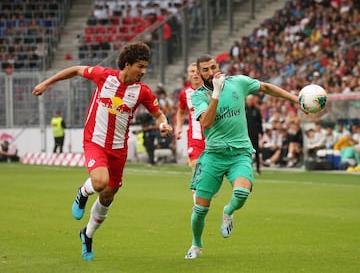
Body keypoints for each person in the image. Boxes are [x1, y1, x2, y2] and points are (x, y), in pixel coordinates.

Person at [32, 41, 173, 261]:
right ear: (127, 65)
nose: (144, 71)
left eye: (145, 67)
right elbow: (76, 69)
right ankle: (83, 192)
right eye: (140, 66)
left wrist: (163, 124)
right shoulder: (103, 76)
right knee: (99, 183)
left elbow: (158, 114)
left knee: (108, 196)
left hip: (118, 149)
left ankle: (87, 234)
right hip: (94, 141)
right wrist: (46, 83)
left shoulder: (142, 92)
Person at [185, 54, 302, 259]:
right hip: (213, 155)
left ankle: (228, 212)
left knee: (241, 193)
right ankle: (196, 245)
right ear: (199, 73)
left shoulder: (238, 82)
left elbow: (265, 87)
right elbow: (207, 123)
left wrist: (296, 99)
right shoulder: (198, 96)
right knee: (200, 209)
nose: (211, 72)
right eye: (205, 70)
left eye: (213, 67)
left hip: (239, 153)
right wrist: (216, 94)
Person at [175, 62, 205, 201]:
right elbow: (181, 112)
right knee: (195, 164)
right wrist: (179, 127)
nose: (195, 73)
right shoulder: (184, 93)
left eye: (197, 70)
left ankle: (209, 185)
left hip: (213, 135)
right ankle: (197, 204)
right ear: (189, 74)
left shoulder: (211, 91)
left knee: (210, 168)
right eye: (192, 71)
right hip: (195, 135)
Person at [245, 94, 263, 174]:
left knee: (256, 151)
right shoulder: (243, 109)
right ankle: (248, 168)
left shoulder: (256, 110)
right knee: (246, 151)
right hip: (245, 133)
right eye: (249, 99)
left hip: (254, 133)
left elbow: (260, 122)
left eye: (252, 99)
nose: (250, 101)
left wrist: (261, 132)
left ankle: (258, 168)